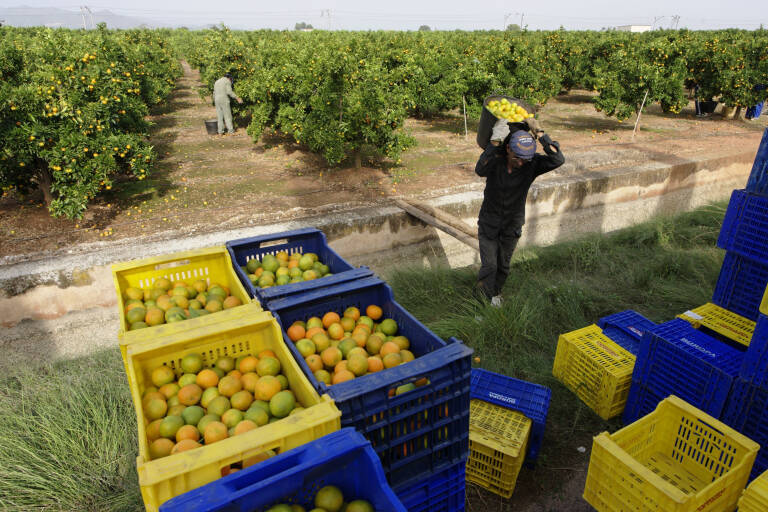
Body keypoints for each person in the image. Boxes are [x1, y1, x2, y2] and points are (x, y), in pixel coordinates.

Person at [475, 117, 565, 306]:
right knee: (489, 266)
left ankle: (495, 294)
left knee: (503, 266)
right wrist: (494, 141)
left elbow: (558, 159)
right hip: (489, 223)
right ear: (508, 149)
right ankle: (482, 305)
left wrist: (540, 133)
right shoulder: (495, 160)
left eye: (525, 159)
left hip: (512, 225)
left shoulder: (532, 164)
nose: (521, 163)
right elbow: (479, 169)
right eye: (517, 158)